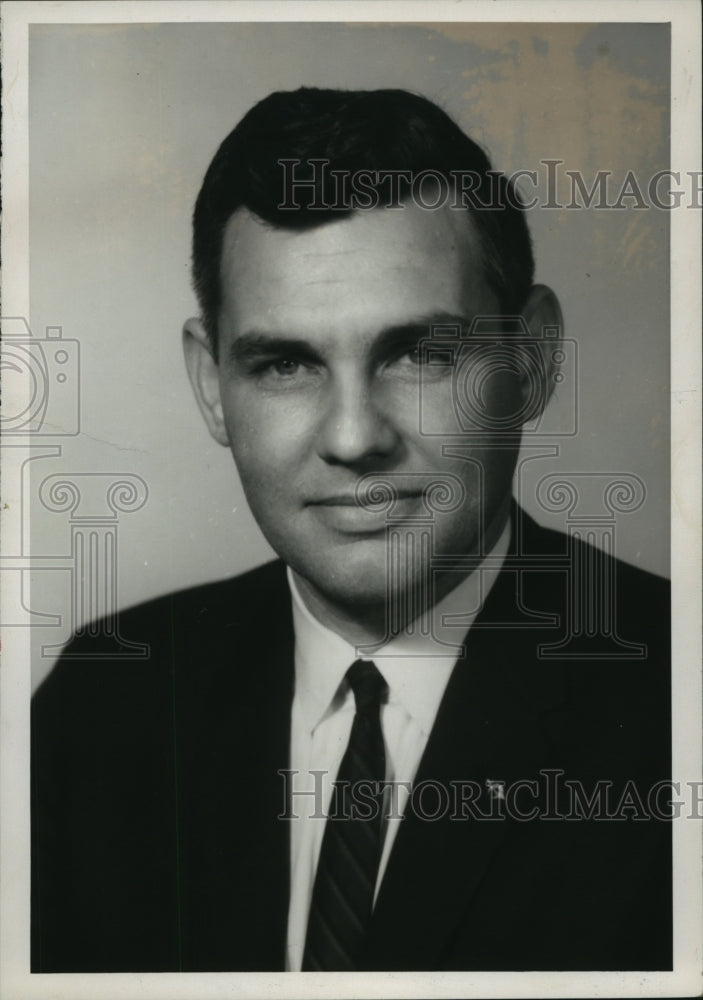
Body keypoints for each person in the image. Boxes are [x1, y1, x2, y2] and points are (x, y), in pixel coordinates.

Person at [31, 87, 671, 974]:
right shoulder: (101, 708)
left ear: (529, 363)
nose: (351, 438)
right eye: (285, 363)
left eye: (419, 354)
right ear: (213, 385)